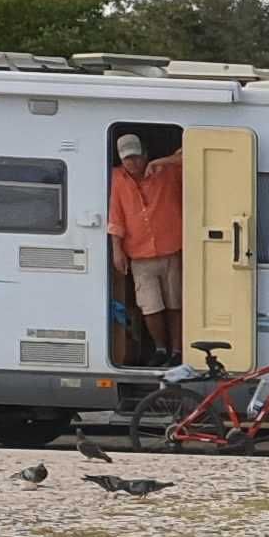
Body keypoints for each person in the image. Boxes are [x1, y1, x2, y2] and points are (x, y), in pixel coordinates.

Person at [108, 134, 183, 366]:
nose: (133, 163)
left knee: (175, 304)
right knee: (150, 306)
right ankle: (160, 348)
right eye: (128, 159)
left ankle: (178, 351)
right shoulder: (117, 178)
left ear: (146, 154)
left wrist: (162, 162)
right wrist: (117, 250)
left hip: (172, 248)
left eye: (137, 157)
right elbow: (116, 215)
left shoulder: (166, 171)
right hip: (139, 254)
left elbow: (194, 153)